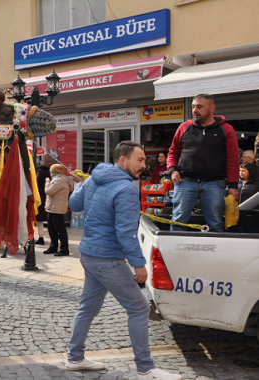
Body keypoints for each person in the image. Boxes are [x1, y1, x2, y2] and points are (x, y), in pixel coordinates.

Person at [65, 141, 181, 380]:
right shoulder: (126, 188)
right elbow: (125, 233)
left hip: (89, 254)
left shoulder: (94, 178)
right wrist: (139, 264)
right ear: (122, 161)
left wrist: (83, 185)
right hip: (107, 258)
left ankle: (75, 358)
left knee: (88, 308)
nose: (144, 165)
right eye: (139, 160)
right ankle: (145, 368)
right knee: (139, 308)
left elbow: (73, 204)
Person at [167, 94, 239, 233]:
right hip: (185, 181)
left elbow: (233, 159)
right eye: (193, 106)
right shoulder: (184, 127)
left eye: (199, 107)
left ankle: (216, 253)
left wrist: (233, 185)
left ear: (212, 108)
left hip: (214, 183)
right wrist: (173, 170)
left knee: (216, 223)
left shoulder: (226, 129)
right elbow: (173, 152)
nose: (195, 110)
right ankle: (175, 253)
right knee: (178, 220)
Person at [43, 164, 73, 256]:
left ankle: (64, 249)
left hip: (57, 208)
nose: (50, 172)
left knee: (60, 230)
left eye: (51, 170)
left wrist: (47, 182)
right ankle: (53, 247)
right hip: (53, 207)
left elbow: (49, 191)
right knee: (51, 228)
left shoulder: (59, 180)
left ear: (55, 171)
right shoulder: (60, 179)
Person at [34, 162, 50, 245]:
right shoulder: (48, 172)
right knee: (40, 220)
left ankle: (38, 238)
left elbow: (35, 182)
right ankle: (41, 237)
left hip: (38, 198)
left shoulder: (40, 172)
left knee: (36, 219)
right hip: (46, 198)